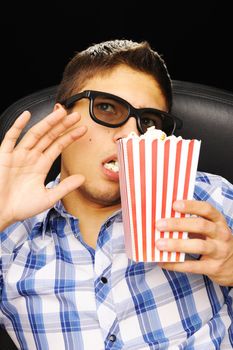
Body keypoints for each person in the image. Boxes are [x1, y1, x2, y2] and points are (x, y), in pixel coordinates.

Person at [0, 39, 232, 350]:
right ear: (60, 120)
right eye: (108, 108)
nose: (131, 135)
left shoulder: (209, 199)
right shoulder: (11, 231)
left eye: (148, 122)